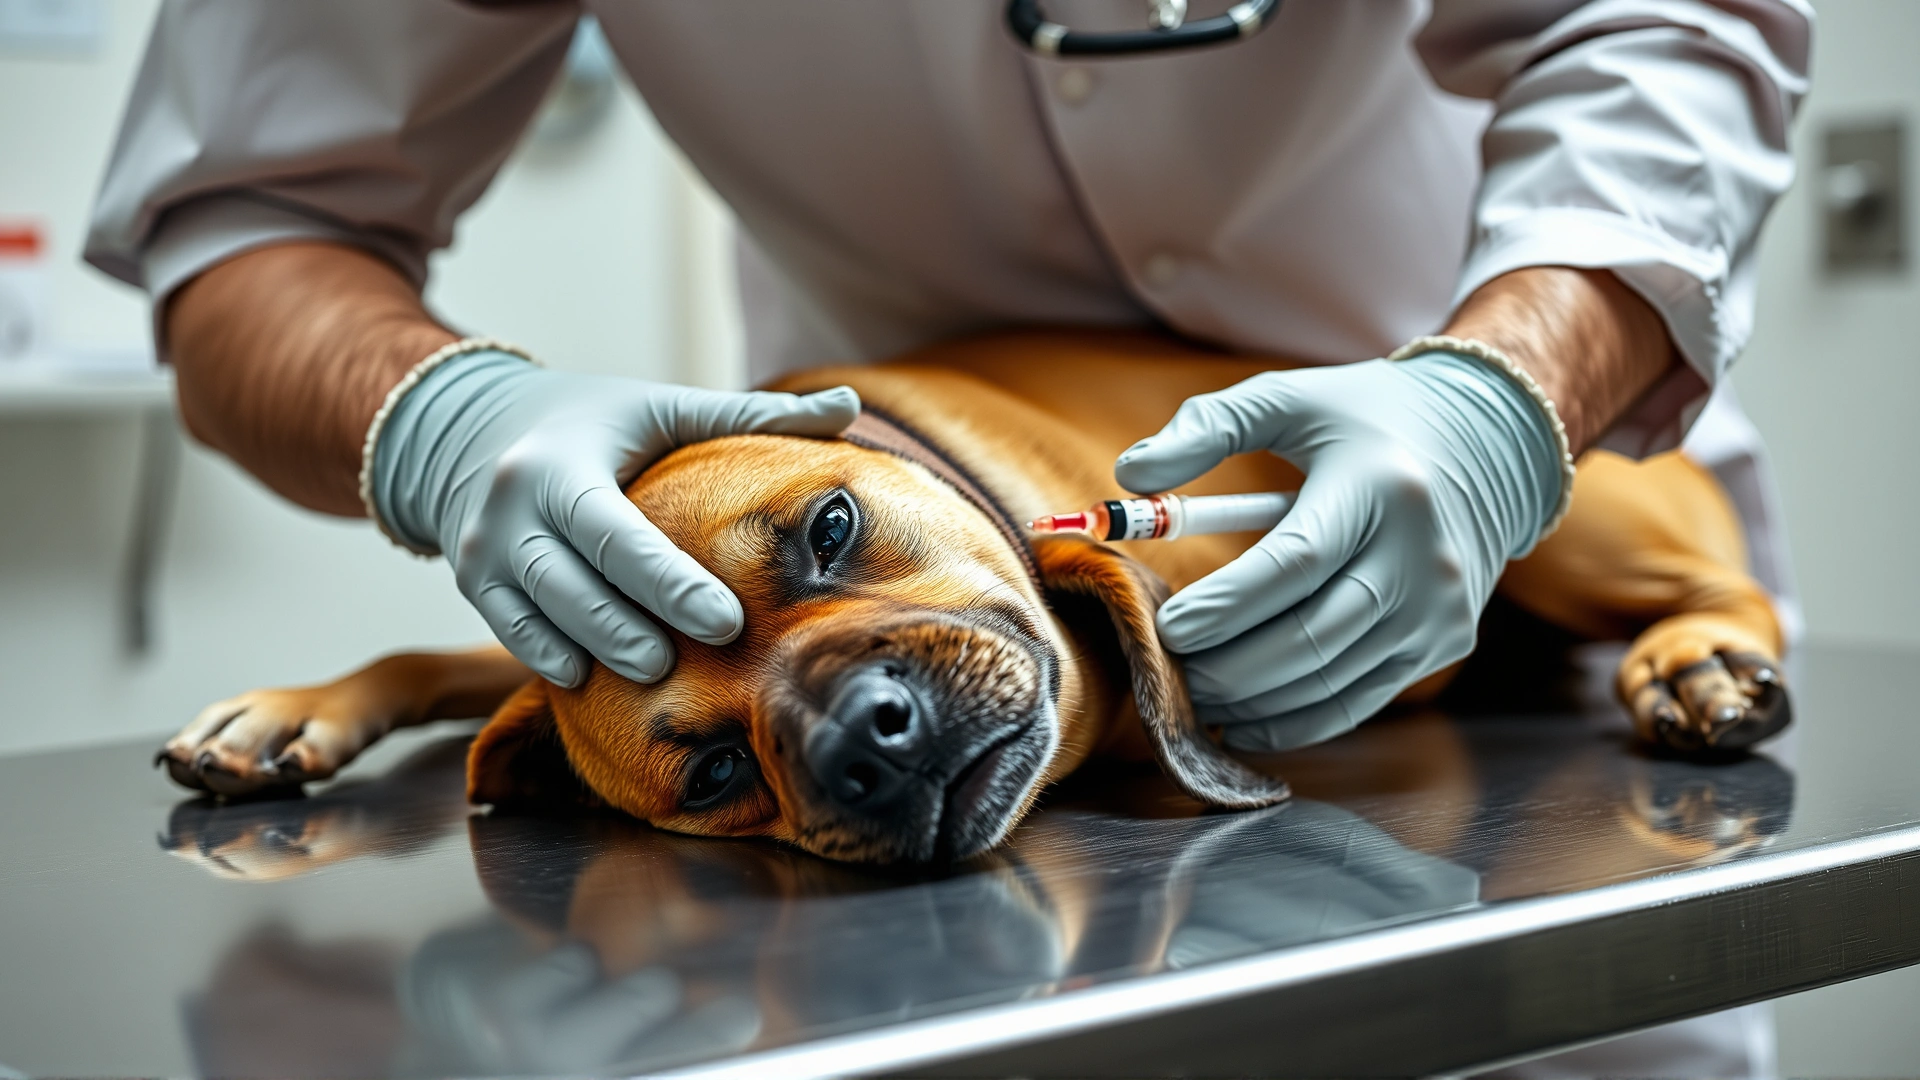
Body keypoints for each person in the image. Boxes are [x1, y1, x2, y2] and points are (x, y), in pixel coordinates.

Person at [86, 1, 1808, 752]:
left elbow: (1661, 15)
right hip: (923, 478)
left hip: (1546, 441)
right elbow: (249, 212)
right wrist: (445, 421)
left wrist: (1504, 401)